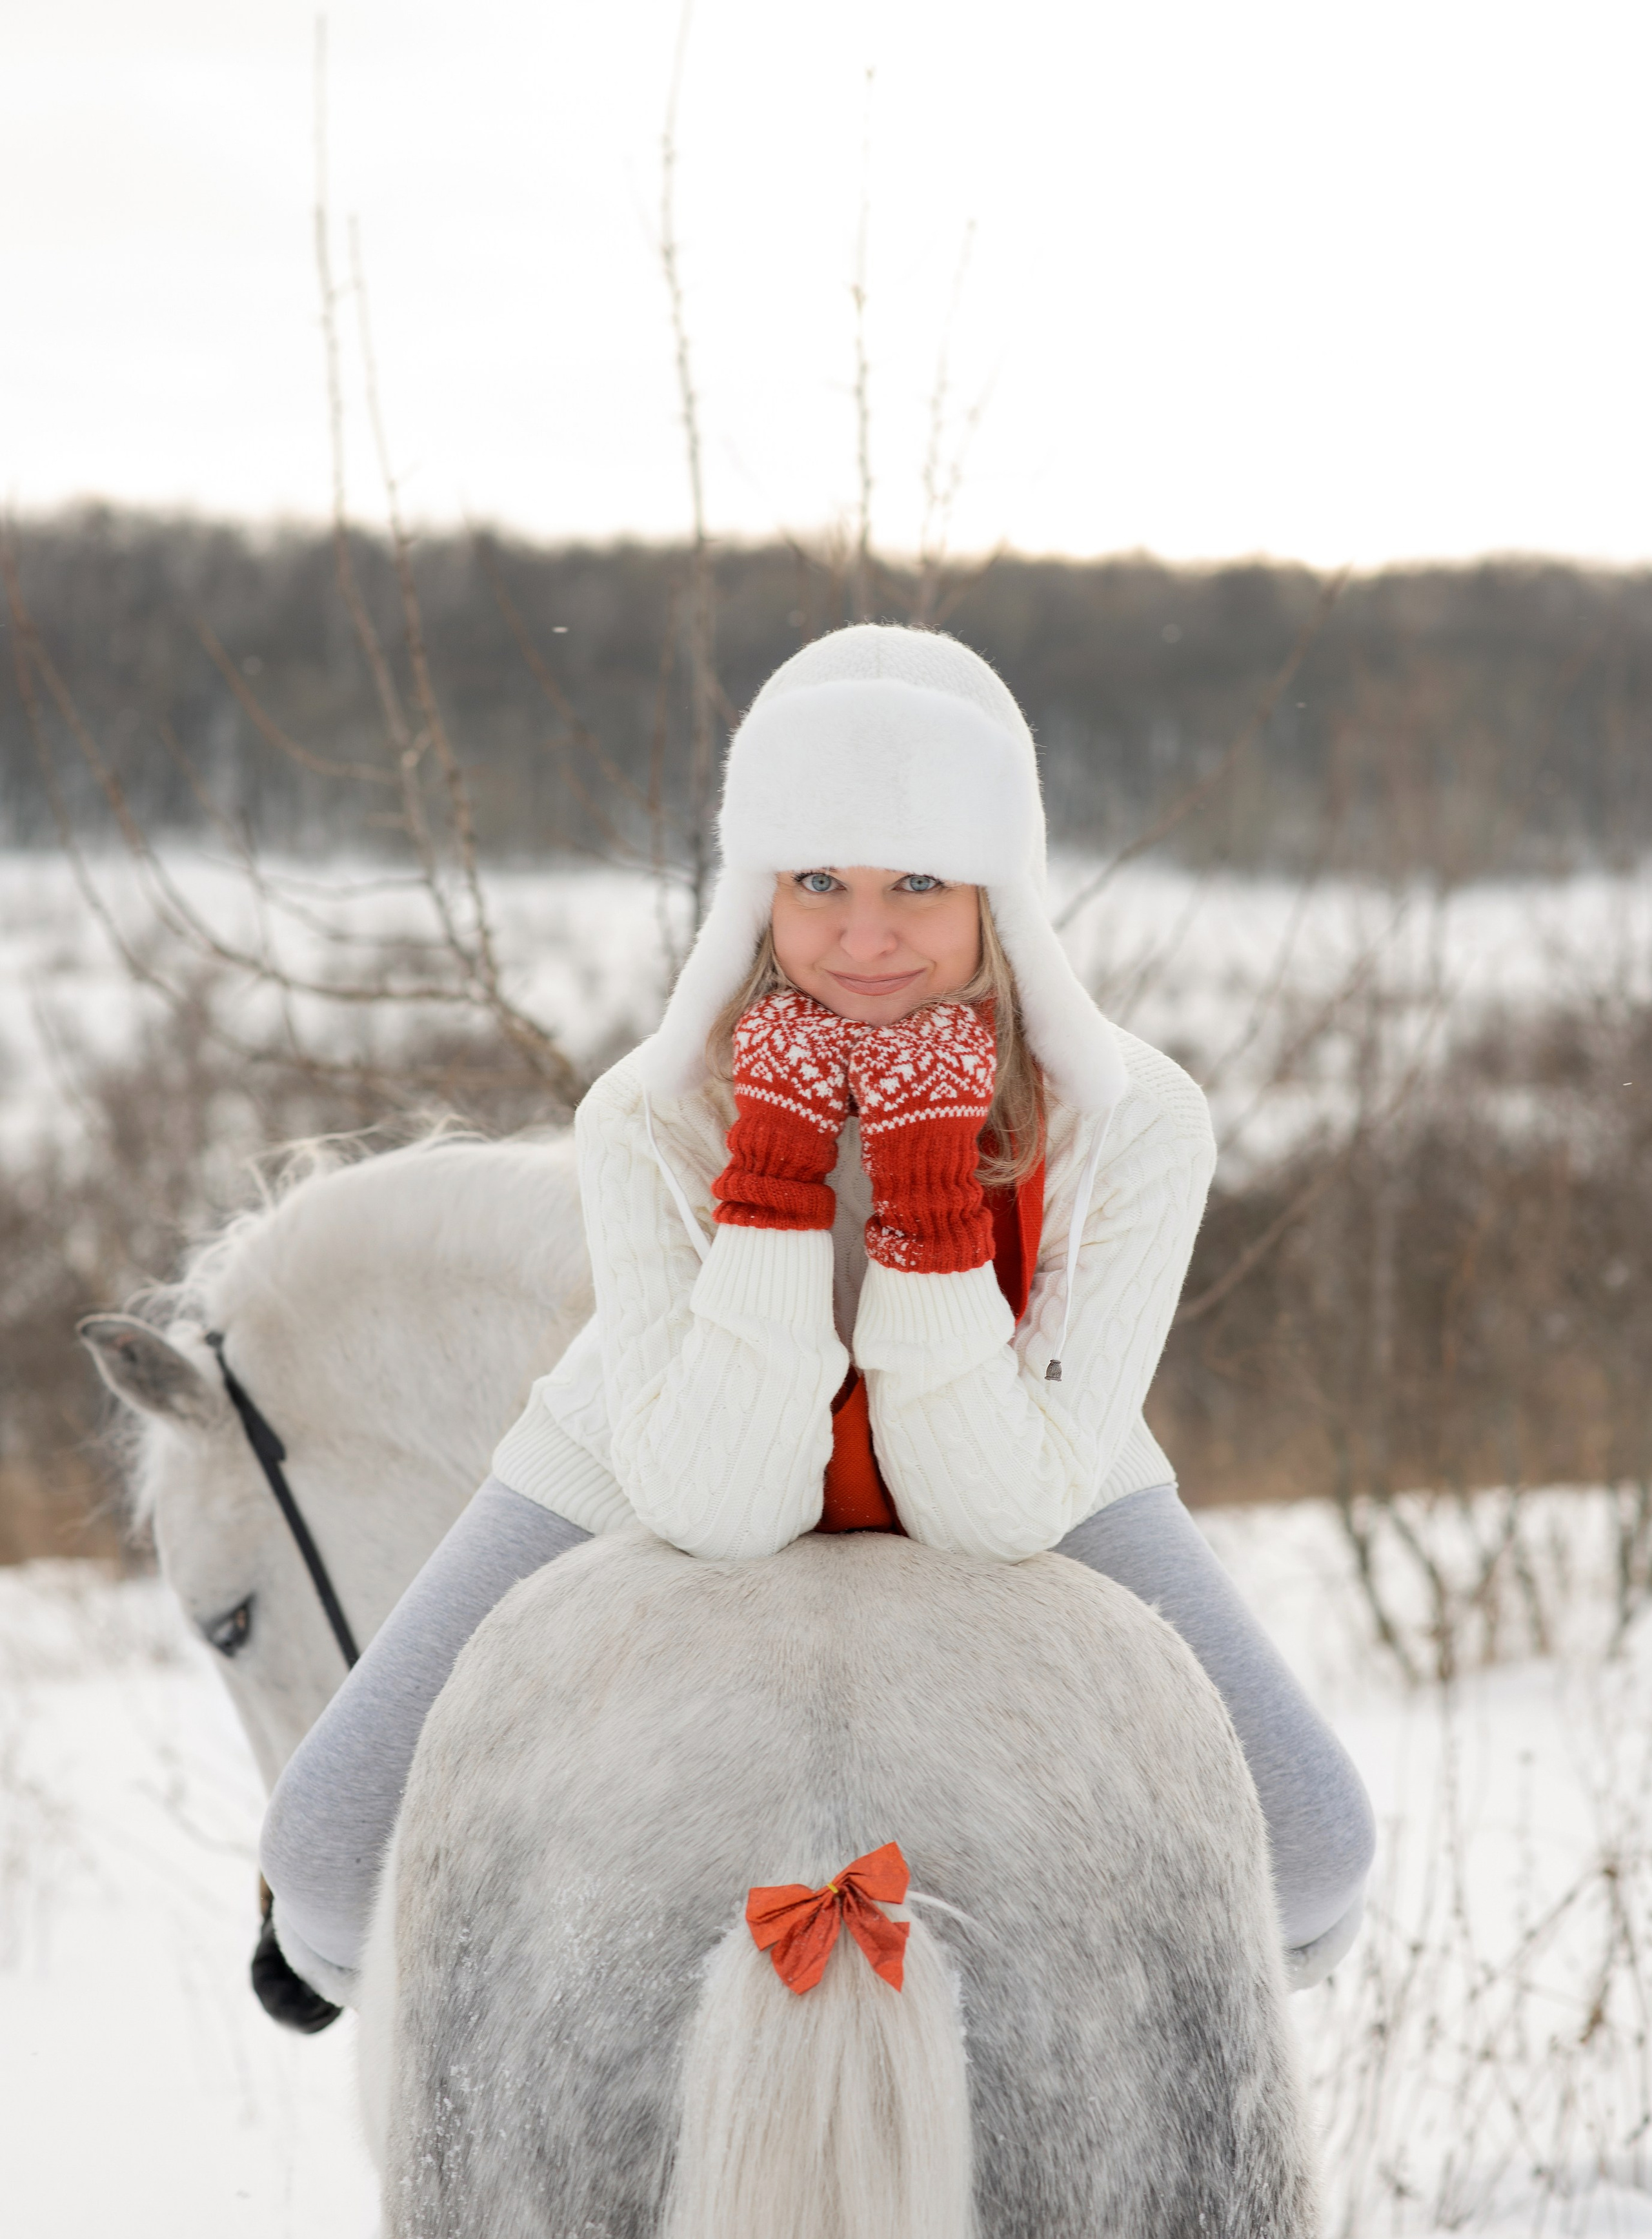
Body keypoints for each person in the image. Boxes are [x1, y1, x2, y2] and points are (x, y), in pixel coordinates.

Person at [261, 623, 1374, 2009]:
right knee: (322, 1864)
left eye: (919, 878)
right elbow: (719, 1503)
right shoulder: (649, 1107)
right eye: (817, 881)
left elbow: (992, 1512)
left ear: (1000, 890)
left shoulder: (1133, 1118)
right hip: (659, 1421)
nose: (864, 935)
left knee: (1314, 1857)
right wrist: (779, 1167)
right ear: (755, 892)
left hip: (1024, 1420)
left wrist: (920, 1191)